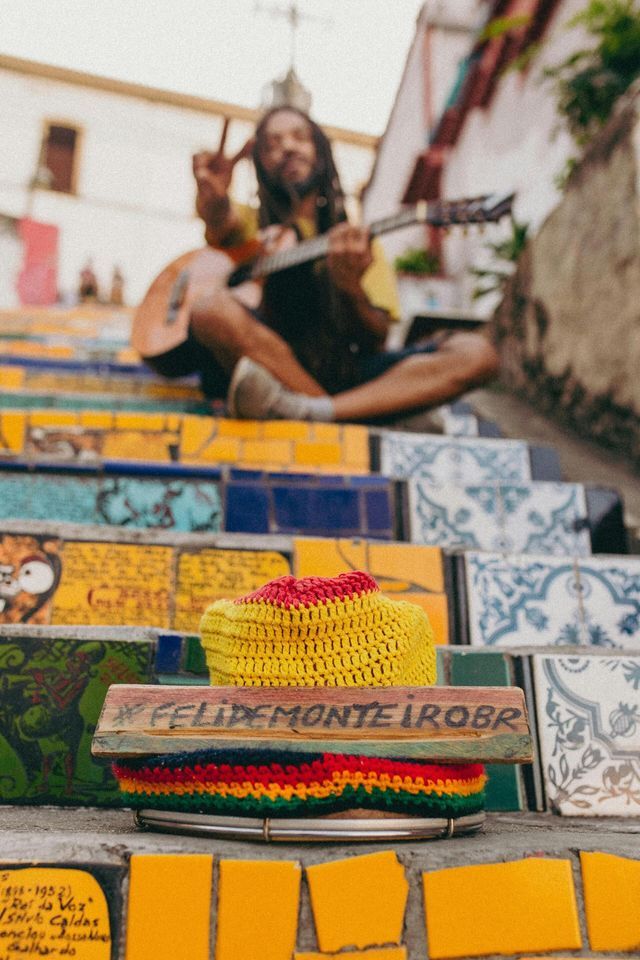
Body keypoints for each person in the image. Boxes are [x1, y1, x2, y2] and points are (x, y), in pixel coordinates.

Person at [151, 106, 499, 422]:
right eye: (273, 143)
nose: (288, 147)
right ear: (258, 163)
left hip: (339, 375)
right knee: (210, 309)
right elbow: (221, 222)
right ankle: (355, 418)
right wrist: (214, 201)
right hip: (258, 368)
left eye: (299, 137)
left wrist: (351, 290)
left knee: (476, 353)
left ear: (321, 151)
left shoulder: (356, 239)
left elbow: (377, 341)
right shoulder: (250, 228)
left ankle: (313, 412)